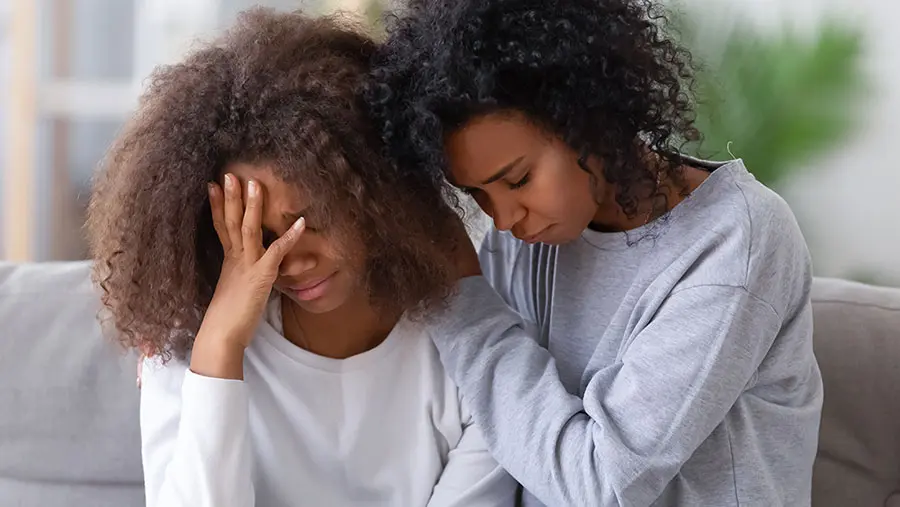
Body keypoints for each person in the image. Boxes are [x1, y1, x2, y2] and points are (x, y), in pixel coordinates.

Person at [367, 0, 824, 505]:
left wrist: (462, 298)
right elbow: (495, 428)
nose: (503, 219)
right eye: (477, 194)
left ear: (588, 120)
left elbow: (601, 483)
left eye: (518, 180)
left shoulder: (735, 243)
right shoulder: (529, 235)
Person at [86, 9, 515, 507]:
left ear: (375, 193)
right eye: (257, 236)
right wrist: (219, 350)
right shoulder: (191, 350)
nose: (290, 260)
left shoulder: (465, 352)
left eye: (311, 221)